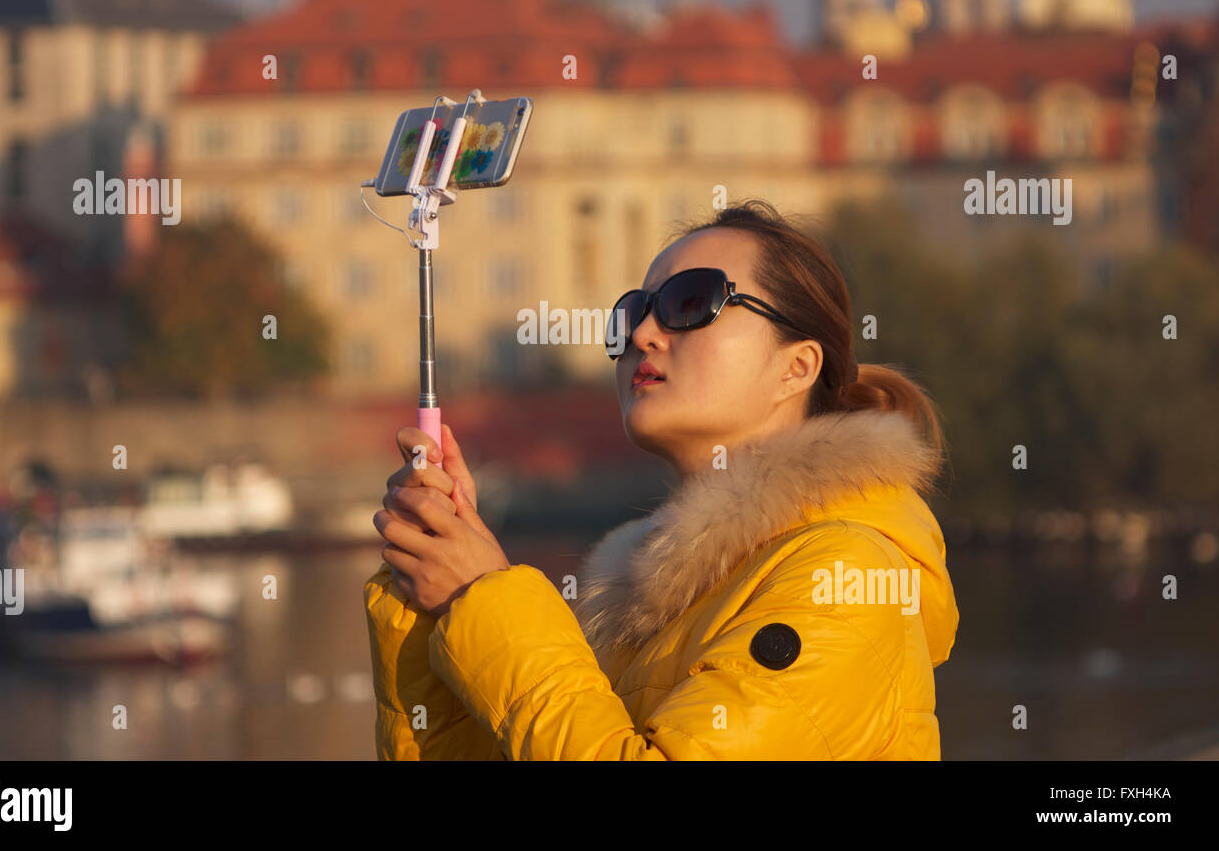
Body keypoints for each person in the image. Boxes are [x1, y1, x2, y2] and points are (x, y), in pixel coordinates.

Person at [365, 198, 959, 760]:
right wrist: (433, 600)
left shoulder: (846, 576)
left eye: (691, 302)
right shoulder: (653, 596)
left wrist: (485, 596)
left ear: (796, 366)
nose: (643, 335)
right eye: (632, 313)